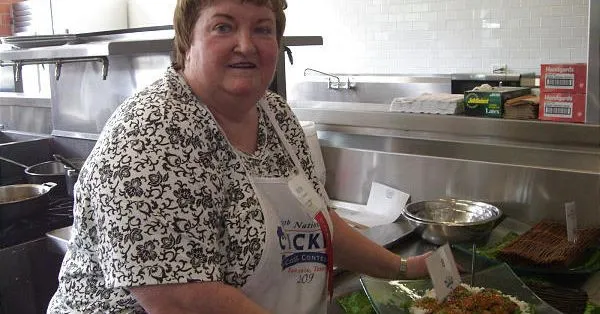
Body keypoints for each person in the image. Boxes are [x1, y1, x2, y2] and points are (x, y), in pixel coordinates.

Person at [47, 0, 431, 313]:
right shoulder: (152, 135)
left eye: (262, 28)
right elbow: (180, 300)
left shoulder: (275, 115)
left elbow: (319, 222)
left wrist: (404, 268)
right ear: (187, 41)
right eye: (223, 26)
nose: (246, 45)